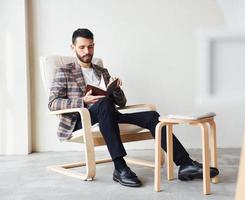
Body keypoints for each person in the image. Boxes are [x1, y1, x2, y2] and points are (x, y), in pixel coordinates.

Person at [48, 28, 219, 187]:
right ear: (73, 47)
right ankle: (120, 167)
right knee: (104, 103)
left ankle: (185, 164)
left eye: (90, 47)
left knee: (152, 116)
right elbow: (53, 103)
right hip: (81, 119)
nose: (87, 52)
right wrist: (82, 100)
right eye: (82, 47)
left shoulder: (102, 70)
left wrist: (116, 89)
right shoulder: (65, 71)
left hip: (108, 114)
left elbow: (121, 103)